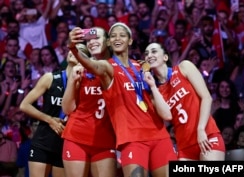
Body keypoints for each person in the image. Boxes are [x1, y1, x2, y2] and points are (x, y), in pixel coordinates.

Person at [68, 23, 177, 177]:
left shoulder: (141, 67)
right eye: (113, 36)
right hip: (132, 140)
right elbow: (92, 65)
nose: (117, 38)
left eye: (122, 35)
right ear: (109, 42)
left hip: (159, 135)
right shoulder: (107, 67)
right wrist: (73, 48)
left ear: (130, 40)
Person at [143, 42, 225, 161]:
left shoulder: (184, 67)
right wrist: (153, 86)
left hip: (206, 135)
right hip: (184, 147)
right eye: (146, 54)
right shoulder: (155, 93)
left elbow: (207, 98)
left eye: (154, 51)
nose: (149, 55)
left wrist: (201, 129)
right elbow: (167, 115)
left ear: (165, 57)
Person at [19, 44, 84, 177]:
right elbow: (24, 105)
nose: (74, 52)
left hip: (66, 143)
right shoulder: (50, 78)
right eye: (72, 49)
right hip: (43, 140)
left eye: (81, 51)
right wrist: (49, 119)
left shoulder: (85, 85)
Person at [61, 27, 117, 177]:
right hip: (77, 136)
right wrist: (72, 80)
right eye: (89, 39)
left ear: (108, 41)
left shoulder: (118, 68)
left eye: (97, 38)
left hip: (106, 139)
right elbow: (67, 109)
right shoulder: (80, 69)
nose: (92, 42)